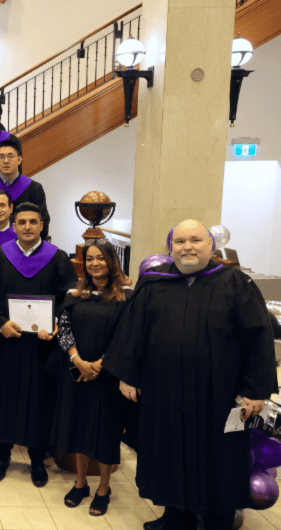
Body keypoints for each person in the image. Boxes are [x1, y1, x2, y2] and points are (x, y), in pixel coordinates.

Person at [103, 219, 277, 530]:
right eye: (180, 242)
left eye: (195, 240)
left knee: (219, 458)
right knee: (168, 451)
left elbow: (258, 336)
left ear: (210, 244)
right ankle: (175, 516)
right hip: (164, 391)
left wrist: (255, 390)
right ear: (171, 248)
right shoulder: (154, 284)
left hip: (220, 394)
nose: (187, 247)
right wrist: (127, 375)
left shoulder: (234, 283)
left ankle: (218, 519)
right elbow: (132, 334)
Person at [0, 202, 77, 487]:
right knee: (3, 395)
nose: (28, 227)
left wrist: (56, 322)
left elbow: (68, 297)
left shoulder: (57, 259)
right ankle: (2, 454)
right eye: (22, 222)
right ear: (14, 225)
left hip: (41, 345)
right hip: (7, 341)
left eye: (33, 222)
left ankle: (36, 458)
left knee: (39, 399)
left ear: (41, 225)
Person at [49, 240, 131, 517]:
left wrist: (100, 364)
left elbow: (126, 336)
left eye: (101, 258)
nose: (95, 263)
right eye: (90, 259)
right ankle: (81, 482)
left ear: (112, 262)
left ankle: (104, 488)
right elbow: (64, 329)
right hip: (77, 372)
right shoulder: (75, 293)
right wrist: (78, 360)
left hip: (108, 377)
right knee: (78, 426)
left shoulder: (124, 297)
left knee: (106, 432)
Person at [0, 138, 50, 238]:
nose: (6, 161)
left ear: (19, 159)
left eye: (11, 156)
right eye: (1, 157)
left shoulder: (34, 188)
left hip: (24, 245)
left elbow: (42, 221)